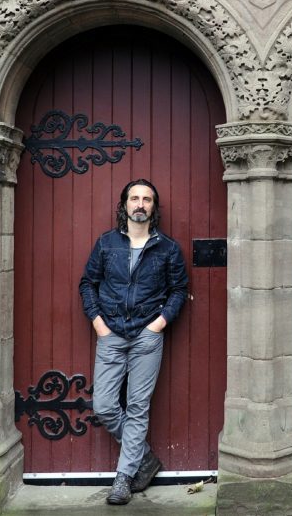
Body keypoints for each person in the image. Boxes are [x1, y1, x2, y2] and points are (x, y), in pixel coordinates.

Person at [79, 179, 188, 505]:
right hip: (111, 333)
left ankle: (124, 479)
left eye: (147, 199)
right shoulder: (106, 243)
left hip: (146, 336)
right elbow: (87, 284)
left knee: (138, 408)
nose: (140, 204)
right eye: (135, 198)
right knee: (105, 406)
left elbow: (179, 290)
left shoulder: (167, 248)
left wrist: (159, 324)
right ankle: (145, 459)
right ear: (124, 204)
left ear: (154, 207)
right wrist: (99, 324)